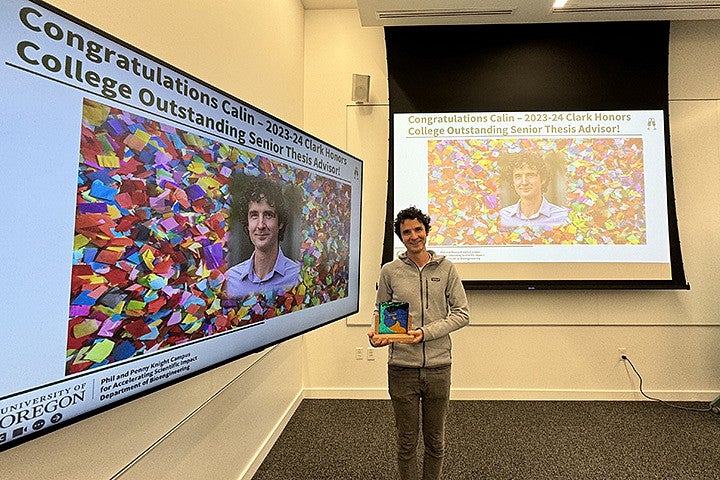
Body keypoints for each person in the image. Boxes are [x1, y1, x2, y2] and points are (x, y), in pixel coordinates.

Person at [367, 206, 469, 480]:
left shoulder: (447, 269)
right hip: (402, 368)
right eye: (406, 232)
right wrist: (378, 335)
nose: (413, 236)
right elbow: (381, 311)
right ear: (401, 237)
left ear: (426, 231)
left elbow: (462, 314)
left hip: (438, 368)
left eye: (418, 230)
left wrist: (425, 333)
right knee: (406, 442)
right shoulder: (389, 271)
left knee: (435, 442)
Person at [224, 176, 300, 298]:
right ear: (247, 224)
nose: (260, 225)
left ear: (280, 223)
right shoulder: (230, 279)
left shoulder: (297, 277)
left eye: (268, 215)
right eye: (254, 215)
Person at [498, 151, 569, 228]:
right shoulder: (502, 217)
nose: (524, 182)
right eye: (518, 176)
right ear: (513, 181)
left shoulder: (563, 218)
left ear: (543, 179)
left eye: (530, 175)